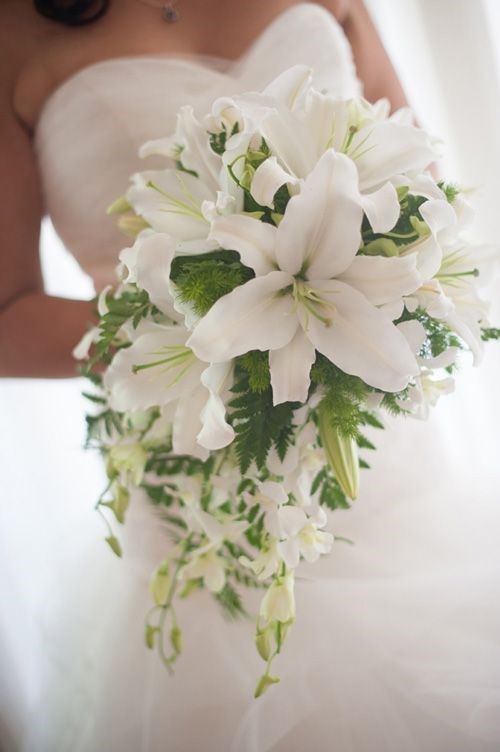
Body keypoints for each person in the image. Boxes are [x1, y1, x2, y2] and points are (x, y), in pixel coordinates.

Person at [1, 1, 499, 750]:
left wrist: (352, 277)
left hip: (377, 467)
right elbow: (6, 320)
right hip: (197, 496)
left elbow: (428, 199)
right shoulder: (14, 27)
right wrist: (201, 322)